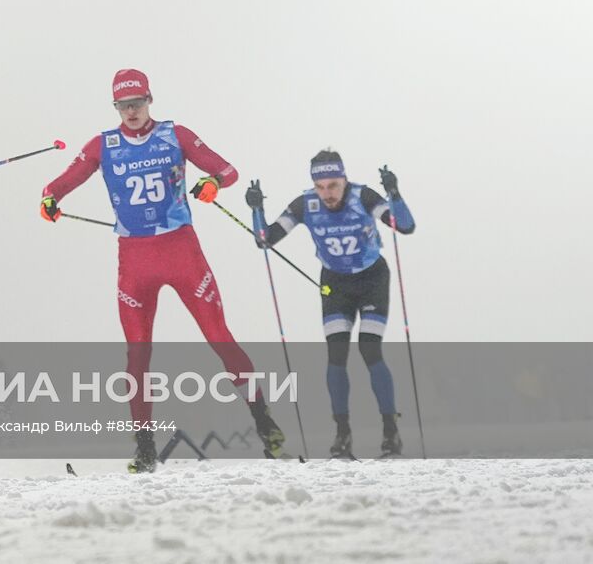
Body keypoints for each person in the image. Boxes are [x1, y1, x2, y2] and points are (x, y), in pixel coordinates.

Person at [40, 69, 286, 473]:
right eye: (124, 105)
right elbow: (65, 181)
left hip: (181, 252)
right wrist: (49, 197)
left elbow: (227, 171)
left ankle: (264, 422)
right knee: (137, 355)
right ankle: (144, 448)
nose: (132, 111)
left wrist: (211, 185)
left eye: (137, 103)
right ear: (116, 107)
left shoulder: (176, 135)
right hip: (135, 261)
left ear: (150, 99)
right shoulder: (104, 145)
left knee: (219, 337)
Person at [246, 151, 416, 458]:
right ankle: (342, 433)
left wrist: (394, 192)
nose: (328, 194)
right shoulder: (306, 204)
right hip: (335, 283)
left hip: (372, 279)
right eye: (321, 186)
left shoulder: (362, 196)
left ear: (344, 179)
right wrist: (257, 208)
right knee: (336, 356)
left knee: (369, 348)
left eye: (334, 185)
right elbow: (264, 240)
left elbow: (404, 226)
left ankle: (391, 431)